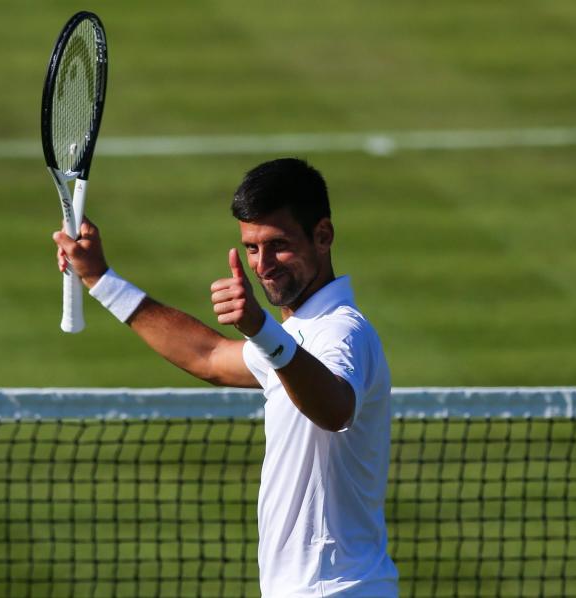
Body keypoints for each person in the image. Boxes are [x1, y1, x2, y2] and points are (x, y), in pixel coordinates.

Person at [52, 158, 398, 597]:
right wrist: (102, 279)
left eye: (278, 245)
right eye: (252, 248)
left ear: (323, 236)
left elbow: (334, 408)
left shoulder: (340, 331)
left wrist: (261, 329)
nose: (263, 264)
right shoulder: (298, 334)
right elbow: (210, 357)